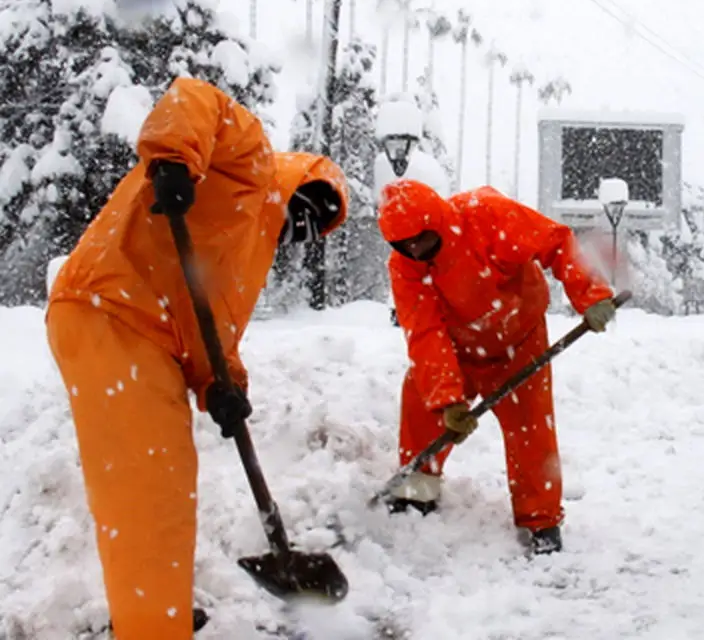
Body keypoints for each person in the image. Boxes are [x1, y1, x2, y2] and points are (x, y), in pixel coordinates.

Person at [45, 78, 348, 639]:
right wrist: (173, 160)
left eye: (313, 230)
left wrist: (222, 387)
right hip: (109, 306)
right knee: (147, 492)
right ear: (295, 183)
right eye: (306, 210)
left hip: (142, 331)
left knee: (164, 483)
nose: (301, 231)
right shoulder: (248, 163)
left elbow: (212, 333)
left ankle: (157, 614)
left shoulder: (250, 257)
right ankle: (152, 628)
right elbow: (197, 97)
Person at [377, 179, 616, 555]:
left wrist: (592, 294)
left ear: (438, 222)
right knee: (422, 405)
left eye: (421, 240)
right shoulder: (406, 266)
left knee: (532, 430)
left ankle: (542, 522)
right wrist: (447, 399)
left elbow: (556, 242)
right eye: (403, 245)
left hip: (519, 339)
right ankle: (417, 490)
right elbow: (423, 331)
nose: (414, 251)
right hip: (457, 346)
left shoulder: (488, 217)